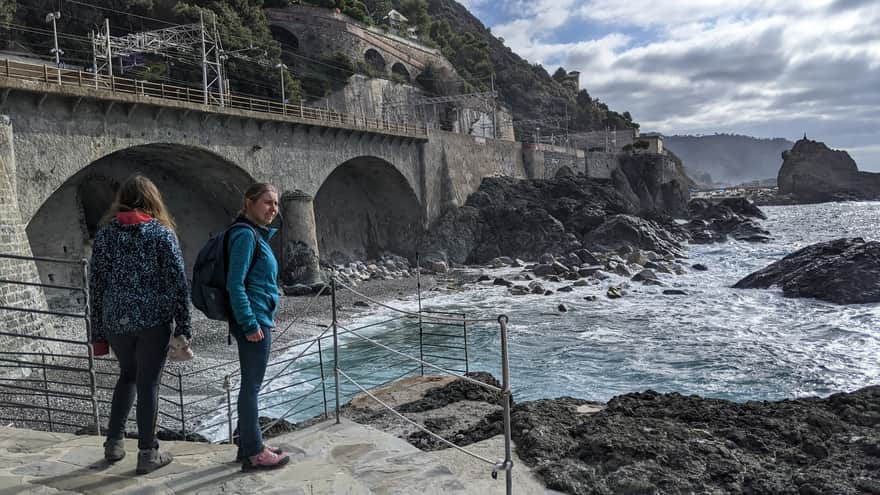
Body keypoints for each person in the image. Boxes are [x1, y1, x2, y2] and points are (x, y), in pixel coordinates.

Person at [89, 175, 190, 475]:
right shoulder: (161, 234)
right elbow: (178, 283)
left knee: (127, 376)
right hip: (152, 320)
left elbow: (96, 284)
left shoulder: (106, 235)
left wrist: (98, 333)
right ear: (153, 199)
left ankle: (114, 444)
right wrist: (184, 327)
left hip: (116, 319)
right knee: (149, 383)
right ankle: (148, 453)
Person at [227, 183, 290, 471]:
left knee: (251, 385)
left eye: (276, 204)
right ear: (249, 203)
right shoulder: (245, 235)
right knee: (251, 387)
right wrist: (250, 323)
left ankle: (247, 444)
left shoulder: (254, 235)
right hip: (254, 321)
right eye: (267, 202)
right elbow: (235, 285)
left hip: (257, 319)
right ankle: (254, 453)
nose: (273, 209)